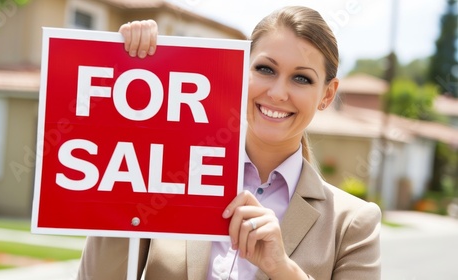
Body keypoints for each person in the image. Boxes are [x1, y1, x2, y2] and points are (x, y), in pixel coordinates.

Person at [77, 6, 381, 280]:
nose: (277, 93)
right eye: (265, 69)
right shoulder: (166, 180)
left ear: (327, 94)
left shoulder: (353, 224)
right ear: (240, 70)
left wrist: (283, 269)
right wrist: (126, 64)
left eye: (301, 78)